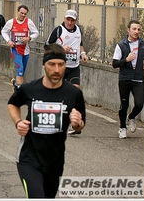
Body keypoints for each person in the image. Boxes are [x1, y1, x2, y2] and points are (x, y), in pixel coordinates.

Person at [7, 43, 86, 198]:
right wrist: (18, 122)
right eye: (52, 64)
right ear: (44, 65)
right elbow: (13, 104)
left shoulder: (74, 93)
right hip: (29, 159)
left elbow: (81, 125)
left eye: (61, 65)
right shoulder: (29, 89)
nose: (57, 70)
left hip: (55, 161)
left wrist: (77, 124)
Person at [45, 9, 88, 134]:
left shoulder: (78, 30)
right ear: (64, 18)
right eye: (68, 19)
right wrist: (61, 48)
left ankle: (73, 123)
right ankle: (52, 118)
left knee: (75, 92)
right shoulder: (58, 30)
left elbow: (80, 44)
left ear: (75, 21)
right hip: (60, 67)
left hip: (74, 67)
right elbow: (47, 46)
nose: (69, 22)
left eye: (72, 20)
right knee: (57, 93)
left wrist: (83, 53)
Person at [112, 19, 144, 139]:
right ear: (128, 30)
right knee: (124, 104)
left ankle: (131, 117)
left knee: (139, 103)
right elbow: (114, 64)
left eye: (138, 29)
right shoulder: (121, 45)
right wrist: (126, 60)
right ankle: (122, 127)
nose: (136, 31)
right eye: (134, 29)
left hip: (138, 78)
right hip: (125, 78)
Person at [1, 5, 39, 88]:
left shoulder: (29, 22)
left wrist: (29, 38)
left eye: (25, 14)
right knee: (20, 69)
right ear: (17, 12)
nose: (23, 15)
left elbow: (36, 33)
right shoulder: (11, 22)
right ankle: (19, 91)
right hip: (15, 50)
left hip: (25, 50)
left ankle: (16, 82)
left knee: (21, 72)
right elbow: (4, 31)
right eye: (21, 13)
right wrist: (9, 41)